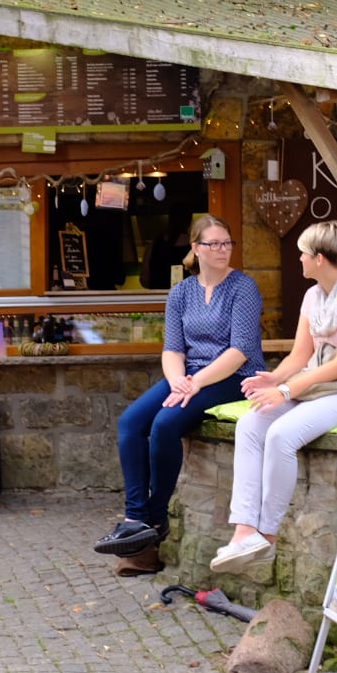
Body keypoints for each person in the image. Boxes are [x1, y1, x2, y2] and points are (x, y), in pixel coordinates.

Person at [94, 214, 264, 560]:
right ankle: (135, 518)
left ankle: (156, 519)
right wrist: (177, 381)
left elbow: (240, 351)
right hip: (187, 377)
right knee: (130, 422)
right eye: (214, 244)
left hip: (234, 377)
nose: (222, 250)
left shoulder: (243, 287)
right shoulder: (181, 292)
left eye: (227, 243)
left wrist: (194, 383)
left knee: (165, 424)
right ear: (196, 248)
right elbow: (172, 349)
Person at [210, 221, 337, 573]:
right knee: (251, 424)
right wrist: (273, 378)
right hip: (317, 387)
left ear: (319, 258)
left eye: (303, 253)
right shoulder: (312, 296)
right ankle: (244, 531)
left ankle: (267, 535)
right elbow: (300, 355)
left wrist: (285, 390)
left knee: (281, 435)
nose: (299, 258)